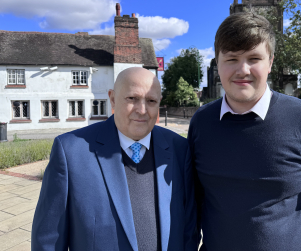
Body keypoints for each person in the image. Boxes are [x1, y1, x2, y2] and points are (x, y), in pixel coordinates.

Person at [188, 12, 301, 251]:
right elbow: (191, 205)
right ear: (218, 62)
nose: (242, 69)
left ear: (271, 62)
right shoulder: (201, 123)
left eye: (254, 58)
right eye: (232, 58)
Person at [32, 67, 197, 251]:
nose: (142, 110)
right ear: (112, 98)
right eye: (132, 99)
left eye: (151, 101)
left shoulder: (179, 149)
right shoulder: (70, 151)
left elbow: (189, 230)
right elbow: (48, 240)